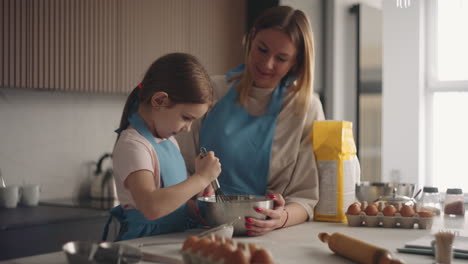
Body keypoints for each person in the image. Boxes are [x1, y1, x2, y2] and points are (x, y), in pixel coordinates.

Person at [176, 6, 325, 236]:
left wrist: (281, 218)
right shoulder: (212, 91)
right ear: (251, 38)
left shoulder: (305, 108)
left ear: (296, 63)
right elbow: (179, 167)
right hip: (197, 231)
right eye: (262, 50)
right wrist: (189, 202)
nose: (267, 64)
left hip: (271, 237)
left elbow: (305, 197)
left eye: (281, 58)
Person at [102, 53, 222, 241]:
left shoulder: (168, 141)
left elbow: (172, 205)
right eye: (186, 118)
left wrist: (198, 206)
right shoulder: (133, 145)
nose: (187, 129)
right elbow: (151, 207)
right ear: (159, 100)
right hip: (141, 244)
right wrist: (201, 177)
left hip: (167, 240)